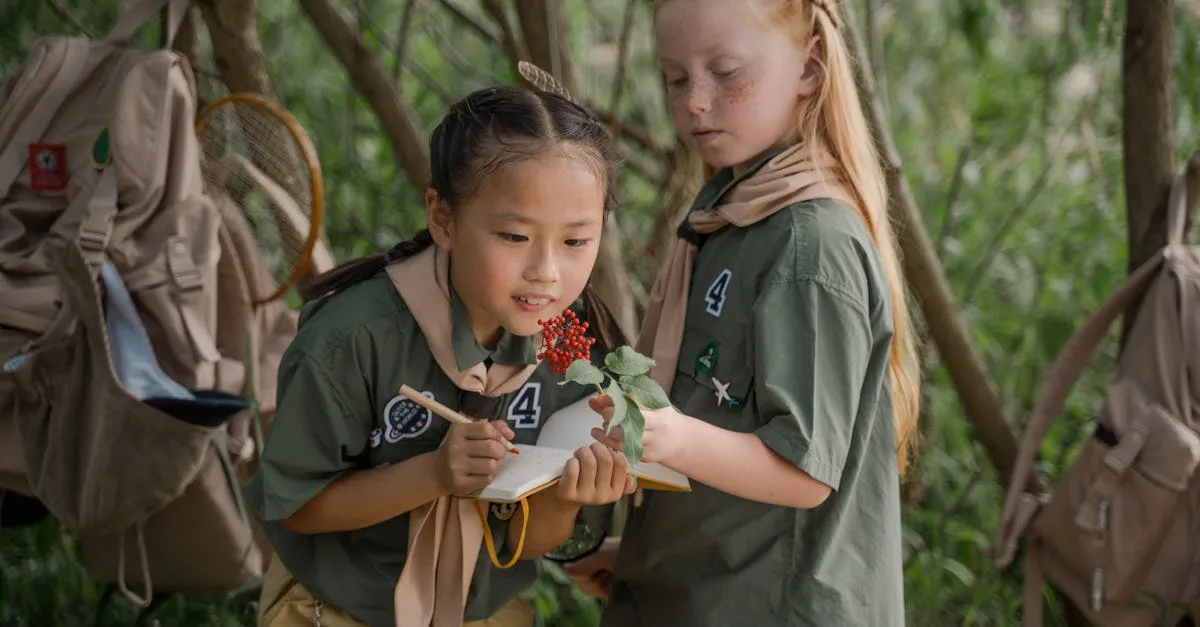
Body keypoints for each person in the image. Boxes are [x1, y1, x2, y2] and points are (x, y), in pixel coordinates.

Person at [565, 1, 921, 625]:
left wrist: (666, 433)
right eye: (676, 78)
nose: (695, 100)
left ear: (809, 68)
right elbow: (725, 430)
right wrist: (653, 556)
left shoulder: (809, 245)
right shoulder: (733, 213)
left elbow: (801, 470)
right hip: (704, 592)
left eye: (726, 72)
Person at [244, 84, 635, 627]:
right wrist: (432, 474)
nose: (547, 270)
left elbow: (523, 543)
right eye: (516, 235)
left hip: (483, 613)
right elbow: (298, 506)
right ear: (443, 218)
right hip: (338, 608)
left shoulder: (570, 353)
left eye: (575, 242)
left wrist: (566, 501)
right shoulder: (353, 339)